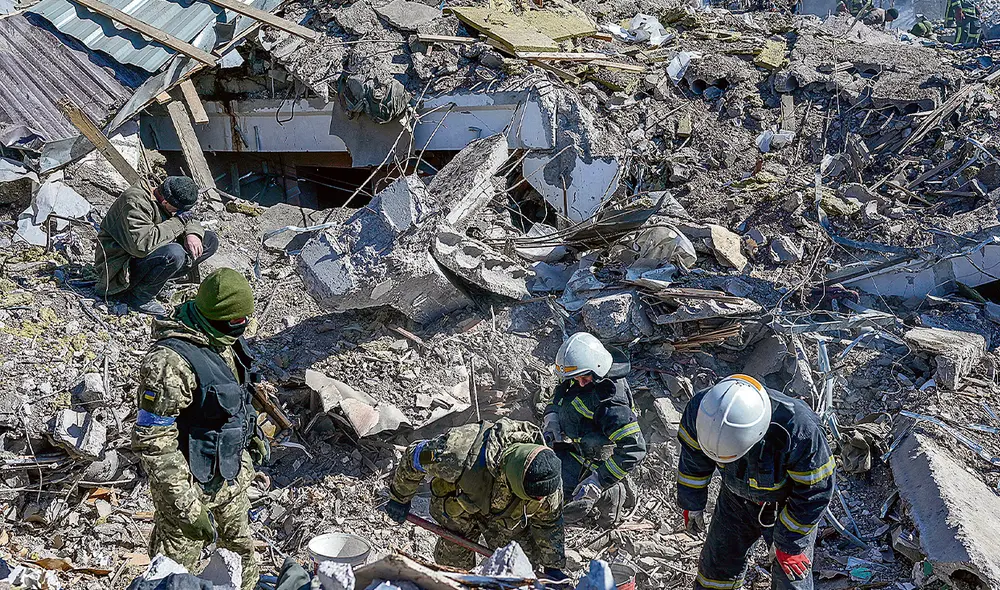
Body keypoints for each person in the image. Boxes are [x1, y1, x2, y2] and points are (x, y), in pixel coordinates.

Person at [132, 268, 269, 590]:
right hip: (188, 484)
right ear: (213, 317)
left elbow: (233, 394)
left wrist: (251, 436)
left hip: (230, 473)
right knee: (174, 572)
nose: (240, 330)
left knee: (241, 553)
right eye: (233, 324)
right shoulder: (169, 363)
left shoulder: (223, 338)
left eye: (243, 322)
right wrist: (186, 507)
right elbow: (154, 440)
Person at [677, 375, 835, 590]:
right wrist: (691, 501)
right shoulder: (704, 411)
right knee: (715, 574)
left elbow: (815, 492)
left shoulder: (799, 429)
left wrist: (789, 542)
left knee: (791, 580)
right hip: (735, 501)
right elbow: (693, 460)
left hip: (788, 507)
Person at [385, 418, 567, 579]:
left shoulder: (547, 479)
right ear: (516, 482)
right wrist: (400, 497)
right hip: (460, 513)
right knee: (454, 573)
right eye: (534, 496)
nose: (541, 500)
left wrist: (552, 565)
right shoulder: (456, 454)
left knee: (520, 570)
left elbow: (548, 524)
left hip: (506, 521)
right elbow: (414, 457)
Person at [543, 332, 647, 528]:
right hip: (577, 444)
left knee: (565, 499)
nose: (580, 382)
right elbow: (562, 387)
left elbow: (634, 450)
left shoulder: (613, 405)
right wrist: (553, 414)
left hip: (597, 456)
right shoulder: (582, 372)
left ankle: (611, 494)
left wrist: (598, 480)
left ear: (598, 369)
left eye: (584, 378)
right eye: (576, 378)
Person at [96, 176, 218, 315]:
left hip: (143, 258)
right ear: (166, 201)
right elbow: (141, 246)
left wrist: (193, 234)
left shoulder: (165, 197)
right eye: (177, 209)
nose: (179, 212)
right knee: (174, 253)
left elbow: (187, 216)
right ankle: (139, 297)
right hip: (120, 267)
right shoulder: (135, 202)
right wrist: (178, 221)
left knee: (209, 240)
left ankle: (161, 282)